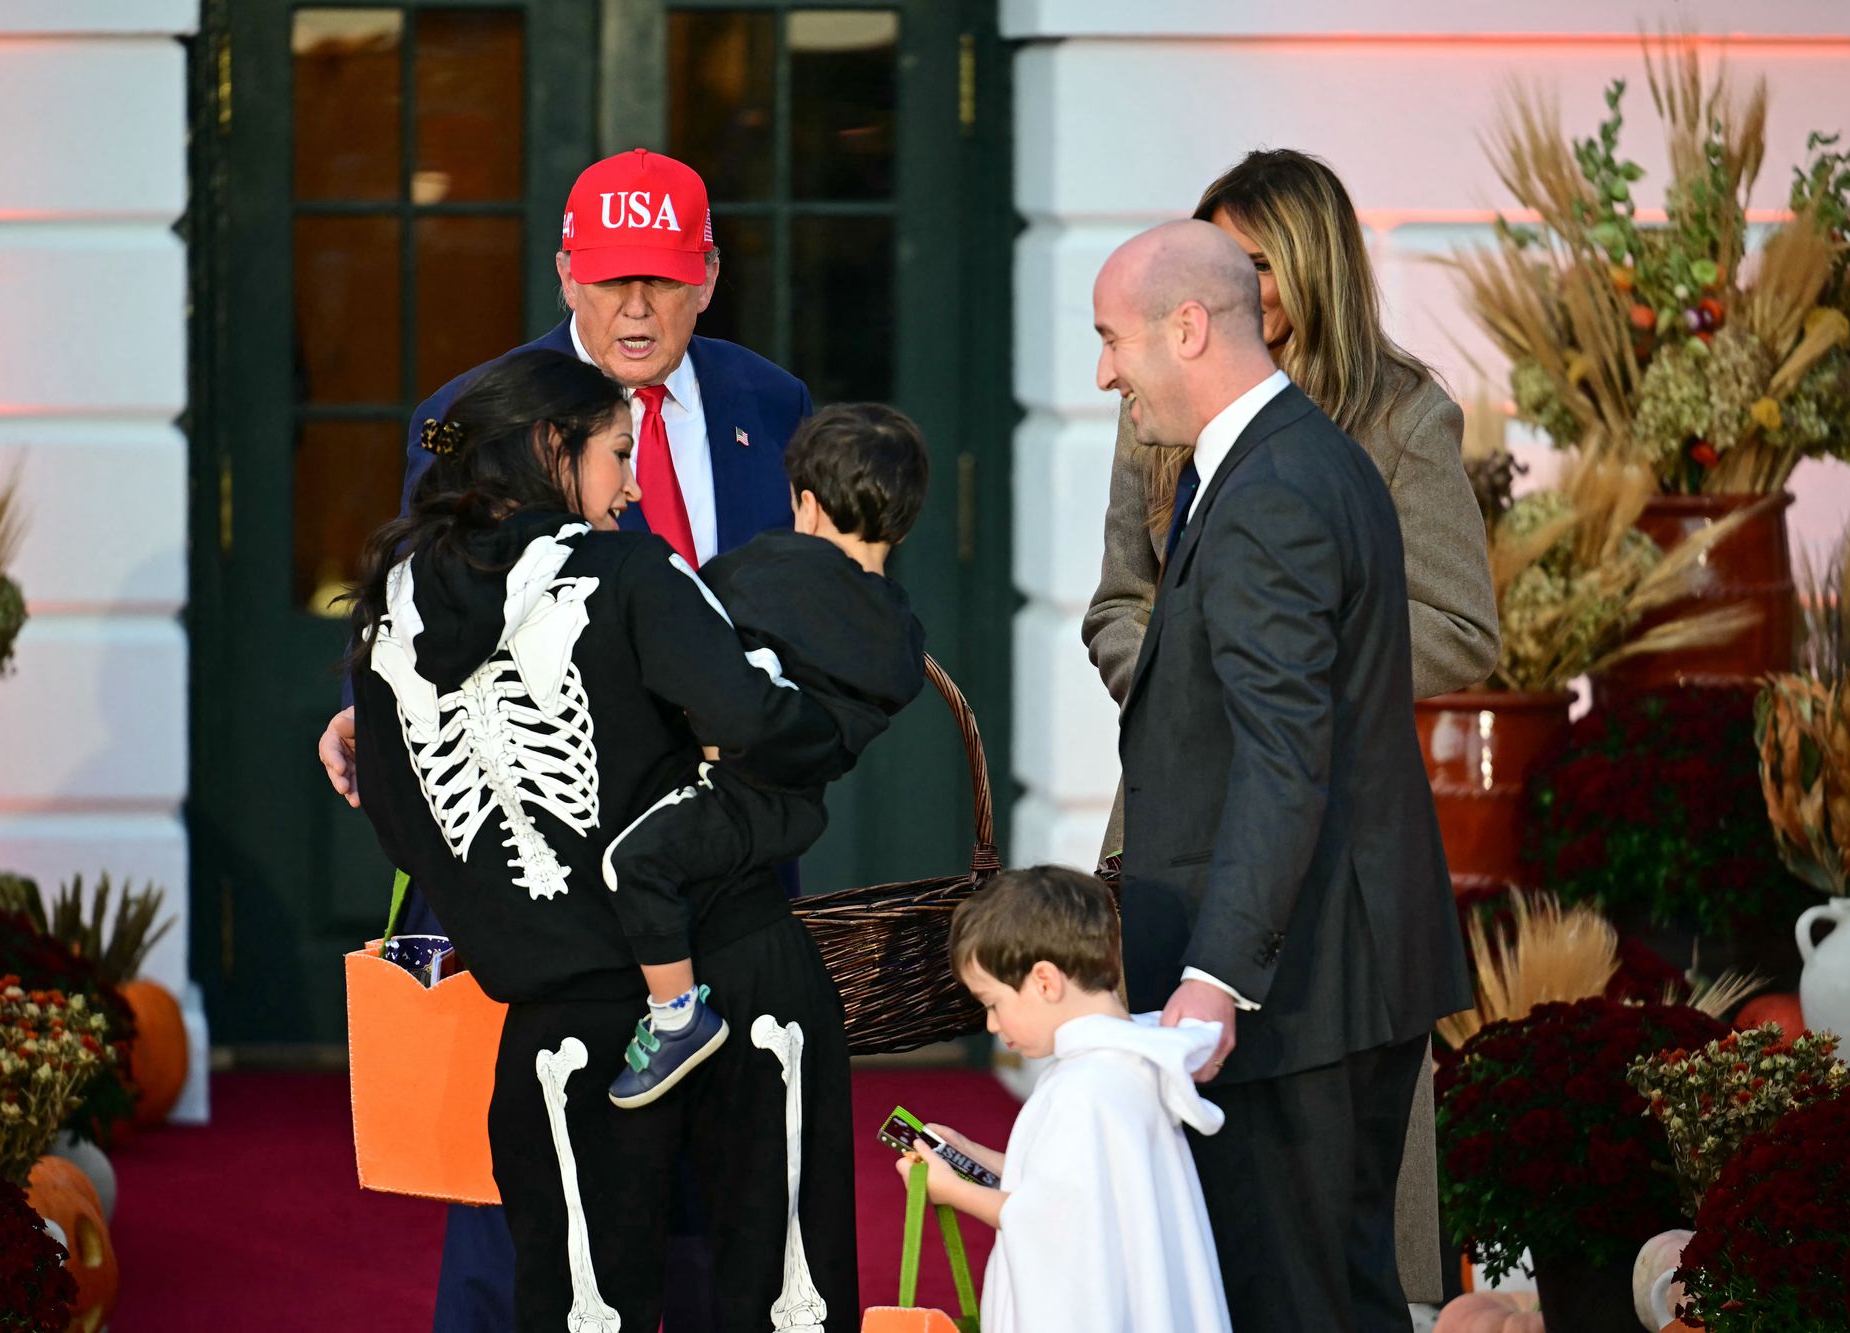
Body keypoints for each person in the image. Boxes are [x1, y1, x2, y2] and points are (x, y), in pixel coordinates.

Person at [314, 147, 815, 1331]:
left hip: (721, 853)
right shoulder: (463, 416)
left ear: (706, 278)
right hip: (541, 863)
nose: (633, 307)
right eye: (607, 279)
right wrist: (370, 697)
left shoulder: (772, 405)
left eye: (659, 278)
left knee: (722, 1179)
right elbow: (419, 569)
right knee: (526, 1183)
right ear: (563, 276)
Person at [1081, 147, 1496, 1306]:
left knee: (1290, 1296)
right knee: (1333, 1293)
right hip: (1322, 956)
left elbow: (1282, 752)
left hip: (1295, 974)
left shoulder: (1277, 484)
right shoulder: (1298, 455)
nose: (1103, 373)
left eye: (1112, 339)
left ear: (1187, 329)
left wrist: (1214, 976)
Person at [600, 402, 929, 1108]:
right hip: (794, 816)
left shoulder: (760, 572)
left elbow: (688, 644)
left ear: (803, 501)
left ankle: (677, 1014)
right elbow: (886, 695)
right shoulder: (899, 627)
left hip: (729, 789)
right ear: (902, 523)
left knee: (634, 862)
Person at [895, 865, 1232, 1333]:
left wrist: (951, 1190)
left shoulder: (1083, 1088)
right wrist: (968, 1154)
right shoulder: (1127, 1061)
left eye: (992, 1003)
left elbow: (1048, 1220)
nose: (992, 1025)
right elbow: (1064, 1185)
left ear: (1045, 982)